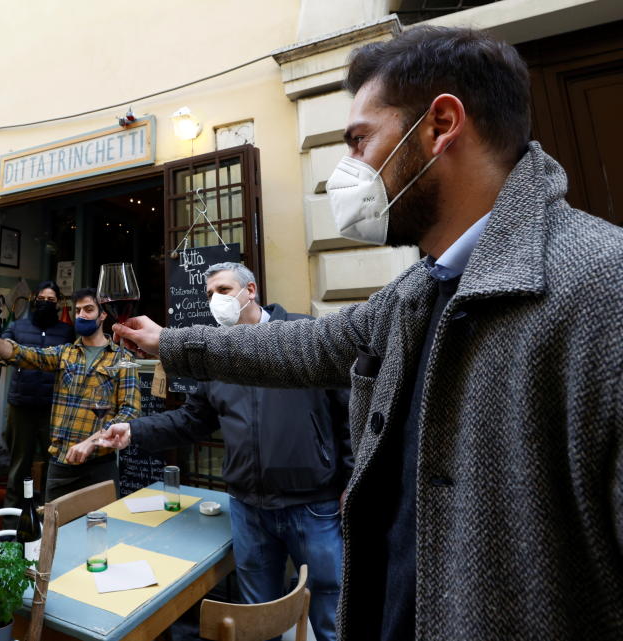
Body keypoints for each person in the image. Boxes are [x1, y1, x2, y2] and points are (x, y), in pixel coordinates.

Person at [112, 26, 623, 641]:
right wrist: (169, 342)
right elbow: (301, 347)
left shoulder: (603, 288)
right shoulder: (419, 291)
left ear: (440, 126)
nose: (344, 173)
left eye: (359, 140)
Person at [97, 262, 351, 641]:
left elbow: (349, 413)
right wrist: (134, 430)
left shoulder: (301, 335)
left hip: (312, 505)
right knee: (254, 622)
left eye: (224, 290)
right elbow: (192, 420)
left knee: (332, 617)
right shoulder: (215, 356)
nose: (215, 300)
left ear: (251, 290)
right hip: (249, 508)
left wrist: (350, 478)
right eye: (209, 294)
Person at [0, 287, 139, 501]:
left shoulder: (122, 358)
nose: (81, 315)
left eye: (88, 309)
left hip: (100, 468)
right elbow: (23, 354)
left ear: (103, 315)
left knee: (100, 531)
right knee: (56, 530)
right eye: (78, 310)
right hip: (61, 466)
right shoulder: (64, 353)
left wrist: (93, 441)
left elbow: (130, 412)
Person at [0, 281, 74, 517]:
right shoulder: (17, 326)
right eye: (42, 299)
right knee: (19, 464)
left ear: (58, 304)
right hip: (21, 406)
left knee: (53, 463)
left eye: (51, 300)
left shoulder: (66, 331)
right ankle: (12, 522)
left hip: (52, 408)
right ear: (34, 300)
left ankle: (50, 517)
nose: (46, 303)